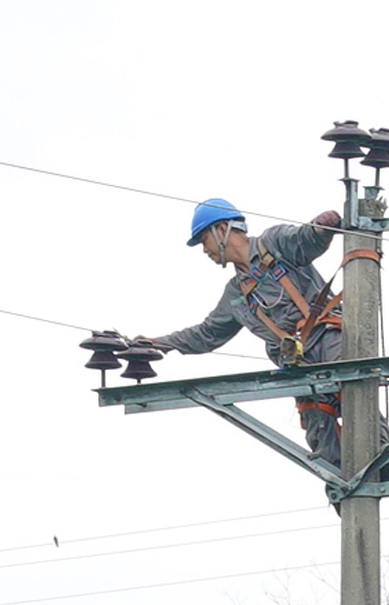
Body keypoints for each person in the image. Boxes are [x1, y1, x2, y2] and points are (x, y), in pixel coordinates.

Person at [147, 196, 355, 469]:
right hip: (298, 363)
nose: (204, 250)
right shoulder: (235, 294)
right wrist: (159, 344)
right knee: (319, 425)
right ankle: (343, 485)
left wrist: (320, 227)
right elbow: (206, 334)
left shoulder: (275, 242)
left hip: (328, 338)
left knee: (354, 392)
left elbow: (305, 241)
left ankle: (379, 453)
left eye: (203, 240)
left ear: (221, 230)